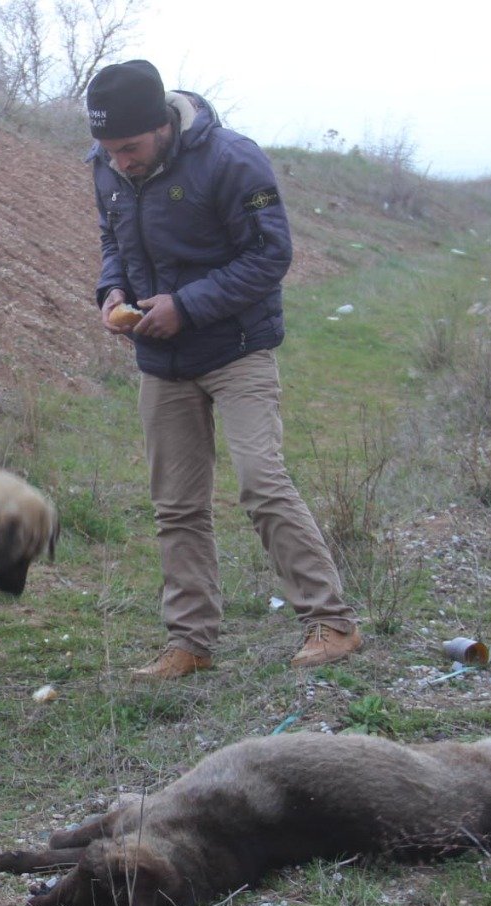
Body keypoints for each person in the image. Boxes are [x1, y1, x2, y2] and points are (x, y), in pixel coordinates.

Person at [85, 59, 362, 677]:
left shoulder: (232, 160)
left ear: (161, 125)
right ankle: (190, 644)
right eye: (107, 150)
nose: (118, 162)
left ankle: (333, 622)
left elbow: (271, 254)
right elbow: (114, 242)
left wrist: (185, 306)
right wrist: (111, 292)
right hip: (161, 360)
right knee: (176, 507)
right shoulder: (107, 167)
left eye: (129, 148)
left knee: (262, 485)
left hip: (237, 349)